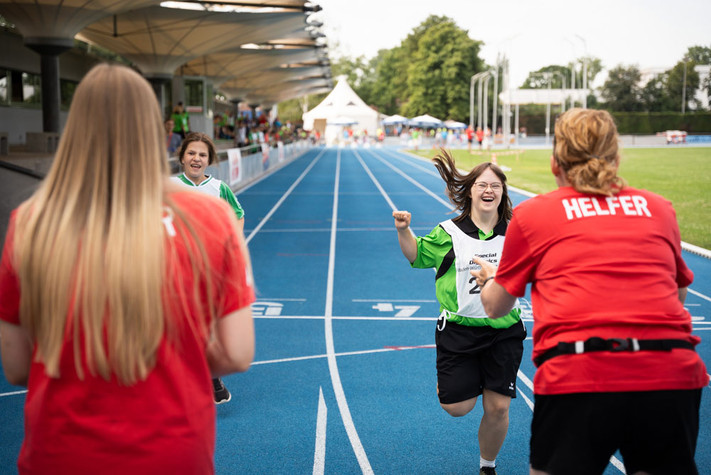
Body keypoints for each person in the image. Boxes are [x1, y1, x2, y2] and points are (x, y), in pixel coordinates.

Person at [0, 63, 255, 474]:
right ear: (154, 132)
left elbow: (15, 365)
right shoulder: (208, 217)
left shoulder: (30, 221)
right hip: (172, 450)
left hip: (60, 452)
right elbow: (236, 353)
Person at [471, 108, 709, 475]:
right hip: (669, 372)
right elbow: (677, 297)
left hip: (580, 373)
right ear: (616, 158)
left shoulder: (535, 215)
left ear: (555, 162)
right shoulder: (659, 209)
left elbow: (497, 307)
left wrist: (490, 278)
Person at [392, 150, 526, 475]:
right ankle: (461, 382)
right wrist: (403, 230)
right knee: (457, 407)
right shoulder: (448, 233)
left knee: (497, 408)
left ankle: (487, 466)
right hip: (458, 332)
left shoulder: (518, 234)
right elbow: (417, 256)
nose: (488, 190)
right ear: (470, 191)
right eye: (482, 184)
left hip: (504, 330)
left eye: (495, 185)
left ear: (503, 193)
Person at [172, 132, 246, 403]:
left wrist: (232, 247)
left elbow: (238, 215)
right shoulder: (167, 186)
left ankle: (209, 376)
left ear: (209, 161)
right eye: (191, 153)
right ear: (181, 158)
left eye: (202, 155)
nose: (196, 158)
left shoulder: (219, 188)